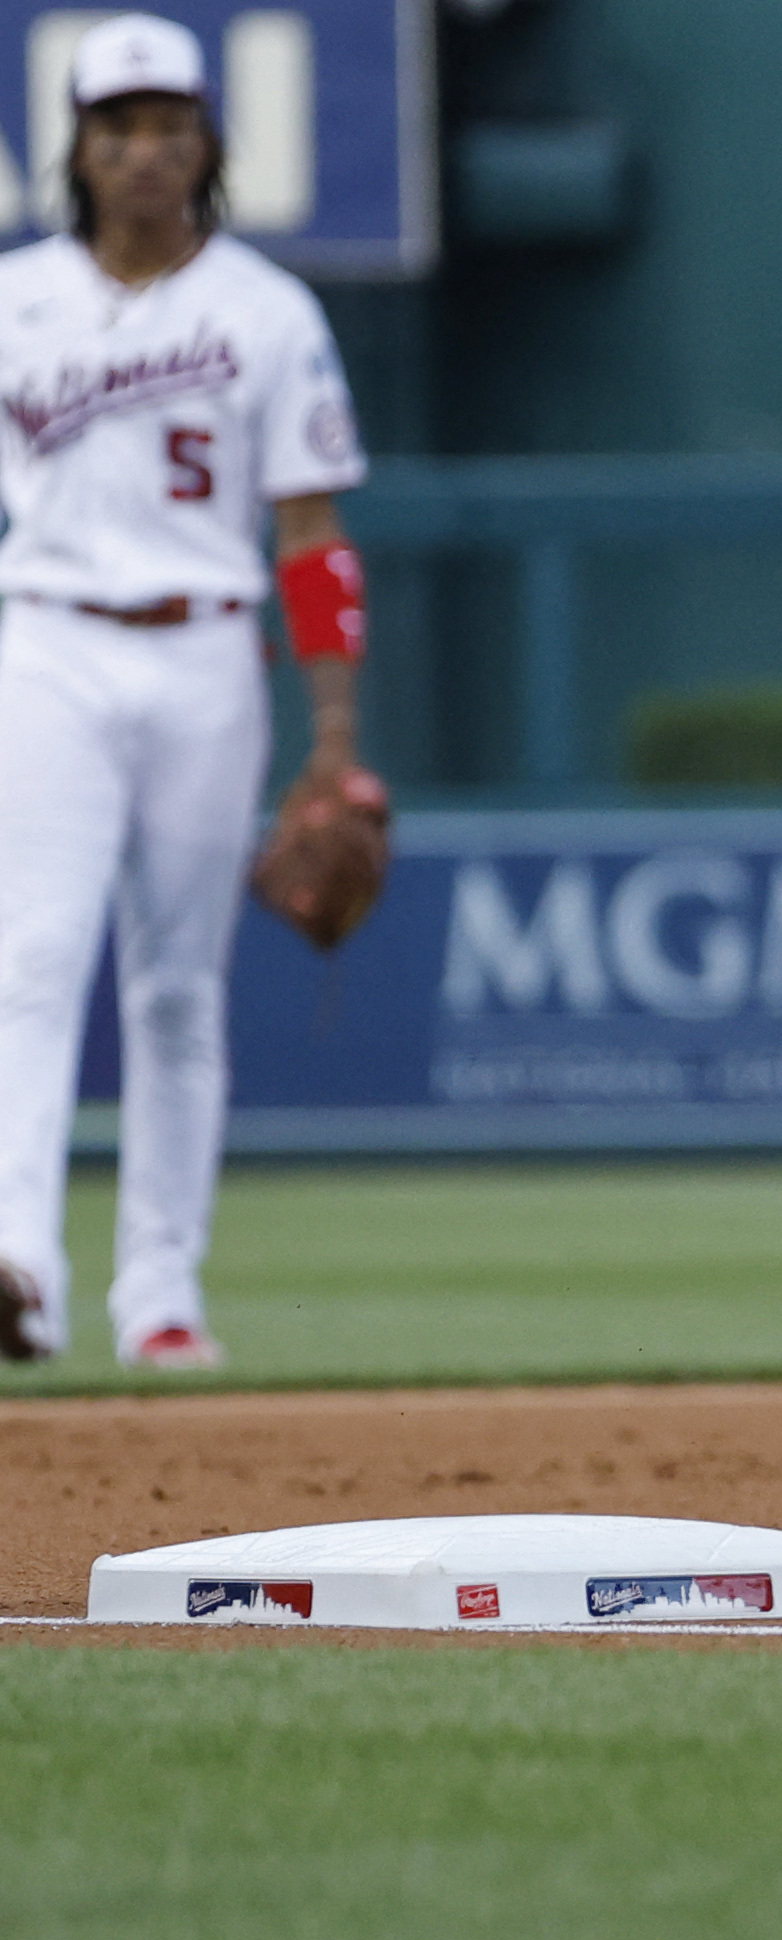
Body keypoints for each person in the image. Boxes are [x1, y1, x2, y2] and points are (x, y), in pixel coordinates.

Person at [0, 15, 374, 1371]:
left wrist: (333, 738)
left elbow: (312, 533)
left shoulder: (267, 312)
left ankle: (159, 1297)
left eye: (169, 126)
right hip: (45, 640)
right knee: (31, 958)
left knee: (175, 990)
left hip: (209, 650)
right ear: (81, 149)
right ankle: (19, 1264)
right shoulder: (15, 300)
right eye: (119, 127)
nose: (145, 151)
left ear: (207, 141)